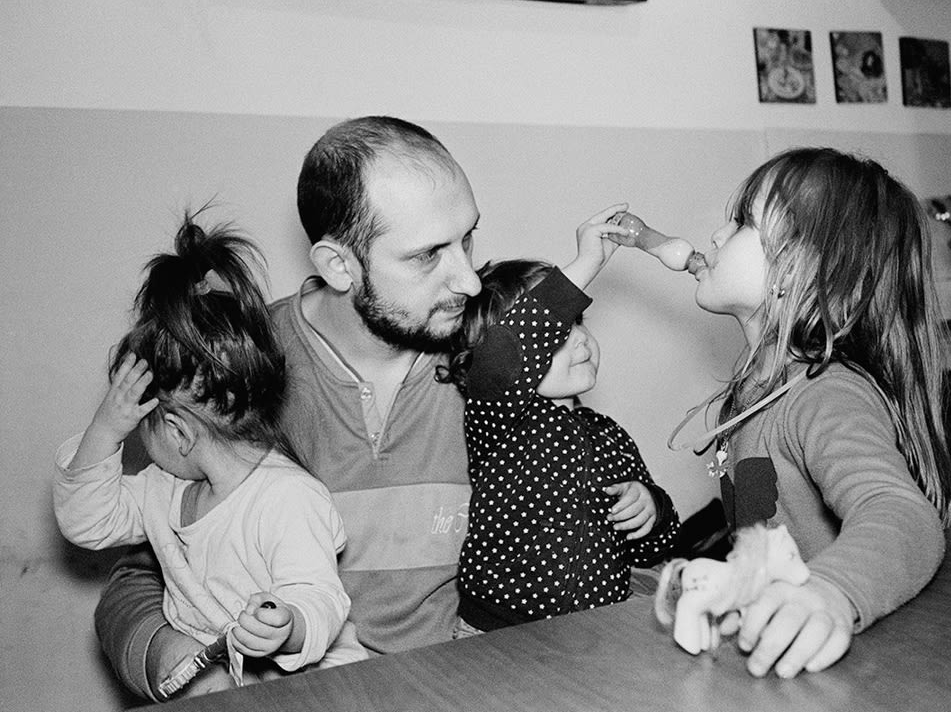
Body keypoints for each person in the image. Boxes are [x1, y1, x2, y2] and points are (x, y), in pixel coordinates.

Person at [93, 116, 482, 700]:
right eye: (428, 255)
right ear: (338, 265)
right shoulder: (237, 372)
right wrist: (182, 665)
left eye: (468, 239)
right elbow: (140, 575)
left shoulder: (496, 366)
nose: (470, 280)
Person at [667, 147, 951, 679]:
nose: (714, 237)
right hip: (776, 661)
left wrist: (829, 592)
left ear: (804, 266)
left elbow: (903, 514)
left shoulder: (826, 395)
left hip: (846, 667)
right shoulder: (758, 391)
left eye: (741, 223)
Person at [54, 215, 368, 696]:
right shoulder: (164, 489)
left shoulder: (287, 498)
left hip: (324, 691)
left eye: (141, 428)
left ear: (178, 431)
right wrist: (104, 432)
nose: (140, 442)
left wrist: (289, 627)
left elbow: (322, 597)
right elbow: (85, 521)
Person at [438, 207, 680, 634]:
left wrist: (651, 507)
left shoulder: (609, 435)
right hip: (497, 635)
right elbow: (504, 357)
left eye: (580, 321)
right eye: (558, 330)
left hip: (596, 634)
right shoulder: (499, 419)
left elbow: (655, 546)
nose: (580, 338)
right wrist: (585, 265)